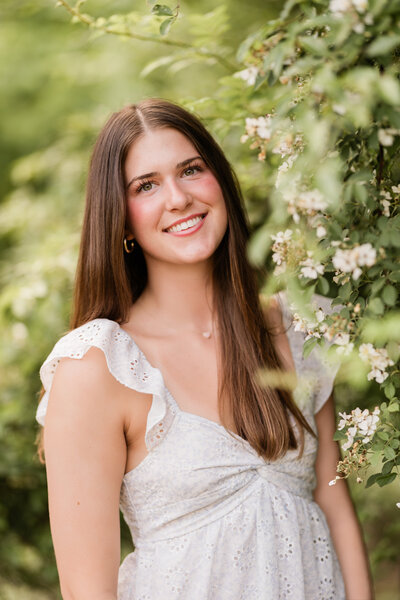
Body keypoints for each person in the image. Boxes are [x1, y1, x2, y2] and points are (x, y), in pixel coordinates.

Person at [36, 98, 373, 600]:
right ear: (121, 220)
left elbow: (335, 507)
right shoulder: (99, 365)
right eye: (145, 185)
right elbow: (88, 591)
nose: (178, 198)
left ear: (220, 180)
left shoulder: (295, 326)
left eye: (191, 170)